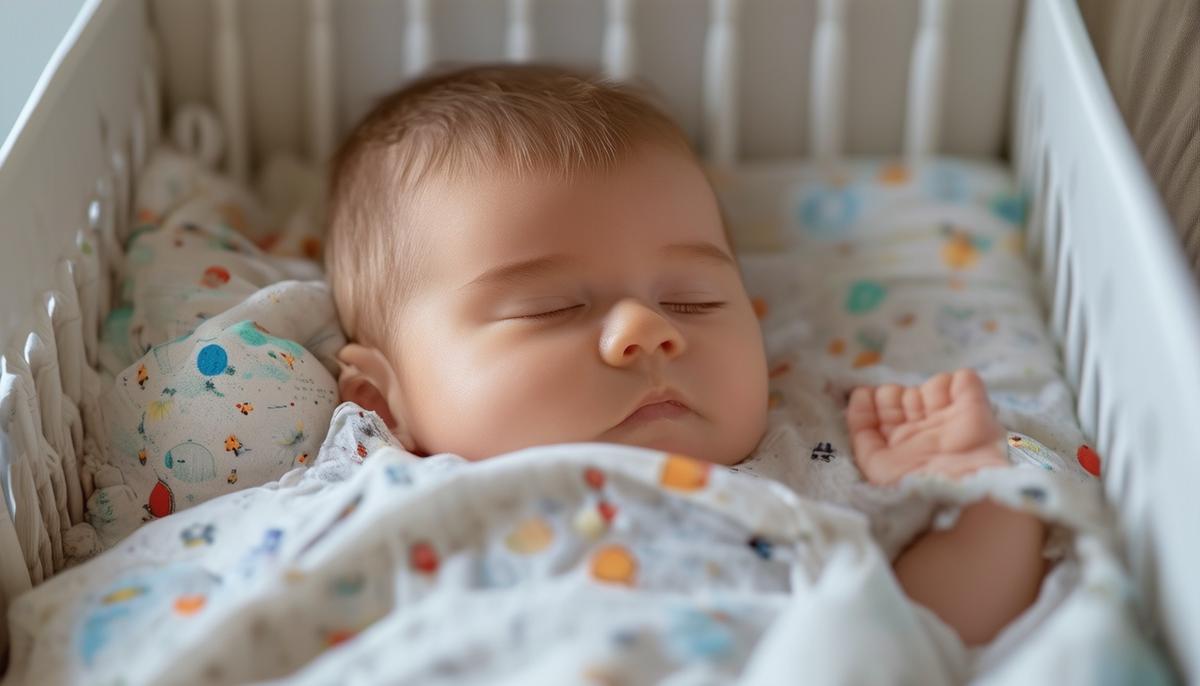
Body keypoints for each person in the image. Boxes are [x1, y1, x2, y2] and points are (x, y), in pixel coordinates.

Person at [325, 63, 1046, 646]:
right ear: (383, 400)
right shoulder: (368, 513)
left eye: (694, 300)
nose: (648, 330)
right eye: (551, 307)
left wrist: (984, 499)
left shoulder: (799, 474)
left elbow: (921, 635)